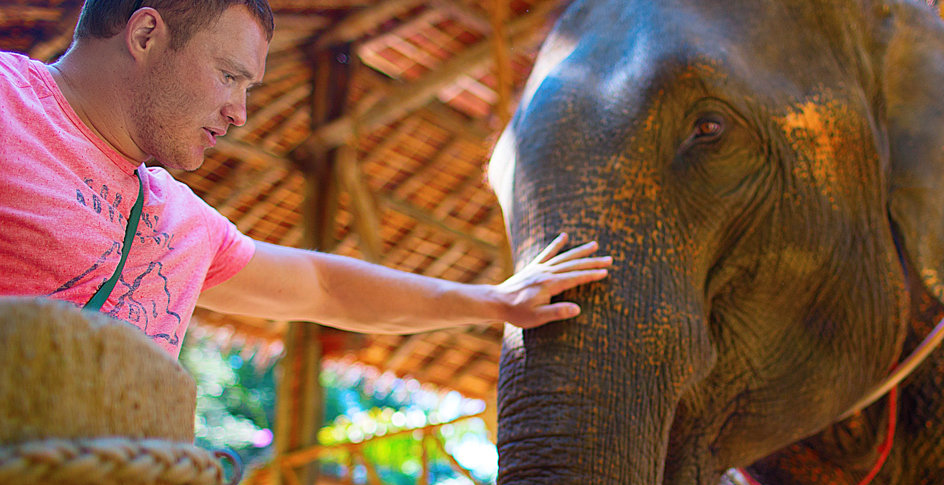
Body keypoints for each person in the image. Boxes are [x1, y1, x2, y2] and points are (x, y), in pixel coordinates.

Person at [0, 0, 611, 356]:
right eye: (229, 76)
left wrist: (495, 300)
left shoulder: (179, 223)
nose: (239, 113)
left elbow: (324, 287)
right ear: (145, 34)